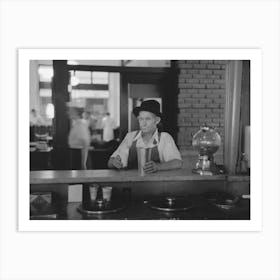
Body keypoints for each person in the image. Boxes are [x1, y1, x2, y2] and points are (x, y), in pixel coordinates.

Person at [108, 100, 182, 173]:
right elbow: (110, 162)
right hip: (132, 182)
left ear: (157, 120)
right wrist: (114, 162)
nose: (143, 124)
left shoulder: (164, 138)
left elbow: (177, 163)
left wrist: (158, 166)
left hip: (156, 183)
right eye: (141, 119)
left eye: (147, 119)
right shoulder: (130, 136)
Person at [67, 100, 91, 170]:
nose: (68, 112)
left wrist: (83, 164)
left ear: (76, 112)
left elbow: (85, 143)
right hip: (76, 154)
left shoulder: (80, 125)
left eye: (70, 111)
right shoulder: (76, 124)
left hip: (79, 156)